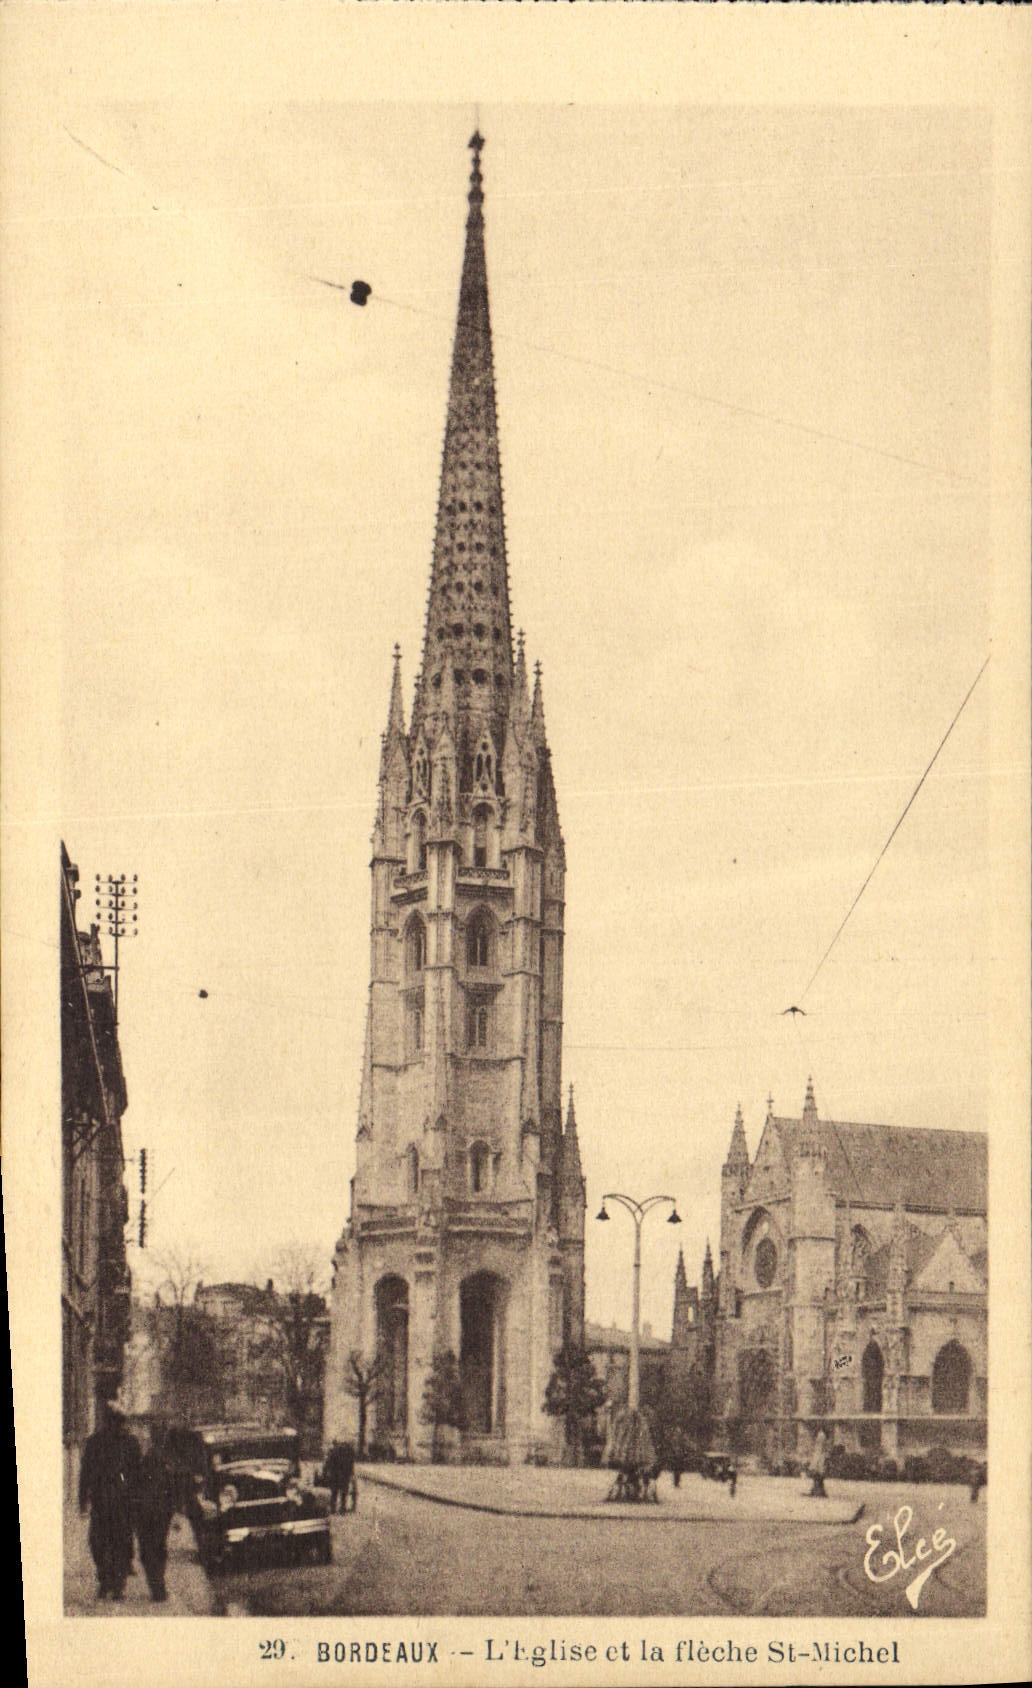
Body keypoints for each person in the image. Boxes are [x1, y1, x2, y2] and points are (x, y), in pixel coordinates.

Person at [78, 1401, 141, 1600]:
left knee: (113, 1542)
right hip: (105, 1500)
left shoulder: (129, 1443)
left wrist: (83, 1499)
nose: (114, 1426)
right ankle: (109, 1581)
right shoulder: (96, 1442)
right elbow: (86, 1472)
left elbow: (137, 1473)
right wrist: (83, 1498)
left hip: (118, 1501)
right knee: (103, 1542)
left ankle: (115, 1584)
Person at [134, 1423, 177, 1602]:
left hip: (146, 1511)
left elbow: (135, 1484)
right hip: (161, 1512)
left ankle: (156, 1585)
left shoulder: (147, 1459)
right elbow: (174, 1489)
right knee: (159, 1547)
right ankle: (158, 1585)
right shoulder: (168, 1461)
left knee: (148, 1549)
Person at [323, 1441, 356, 1514]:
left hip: (335, 1475)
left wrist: (325, 1473)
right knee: (343, 1493)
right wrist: (351, 1474)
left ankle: (333, 1509)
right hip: (344, 1476)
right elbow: (351, 1465)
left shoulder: (334, 1451)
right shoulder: (349, 1453)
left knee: (334, 1493)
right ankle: (342, 1509)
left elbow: (328, 1463)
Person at [808, 1426, 828, 1498]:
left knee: (818, 1476)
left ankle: (817, 1491)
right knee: (818, 1476)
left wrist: (814, 1464)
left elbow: (820, 1449)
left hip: (818, 1459)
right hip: (819, 1459)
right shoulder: (821, 1436)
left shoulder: (821, 1436)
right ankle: (818, 1491)